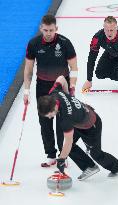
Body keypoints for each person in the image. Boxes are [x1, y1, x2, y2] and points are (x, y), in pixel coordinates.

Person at [37, 75, 118, 180]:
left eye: (49, 115)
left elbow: (68, 142)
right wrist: (67, 95)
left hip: (92, 125)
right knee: (63, 146)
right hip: (79, 121)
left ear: (54, 107)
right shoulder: (54, 92)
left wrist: (61, 159)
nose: (50, 117)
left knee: (96, 154)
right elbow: (61, 78)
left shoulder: (66, 118)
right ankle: (89, 167)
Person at [23, 14, 78, 167]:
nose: (48, 33)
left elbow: (73, 68)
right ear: (41, 28)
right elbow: (28, 69)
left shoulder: (65, 43)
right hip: (43, 87)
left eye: (51, 30)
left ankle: (63, 155)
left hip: (62, 87)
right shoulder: (33, 43)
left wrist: (72, 86)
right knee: (45, 122)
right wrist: (26, 91)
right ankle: (51, 155)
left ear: (56, 29)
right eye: (45, 30)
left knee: (62, 121)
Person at [82, 16, 118, 95]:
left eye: (111, 30)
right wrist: (88, 80)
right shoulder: (97, 37)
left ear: (116, 28)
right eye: (107, 30)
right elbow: (91, 58)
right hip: (113, 50)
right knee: (99, 73)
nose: (109, 33)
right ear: (103, 29)